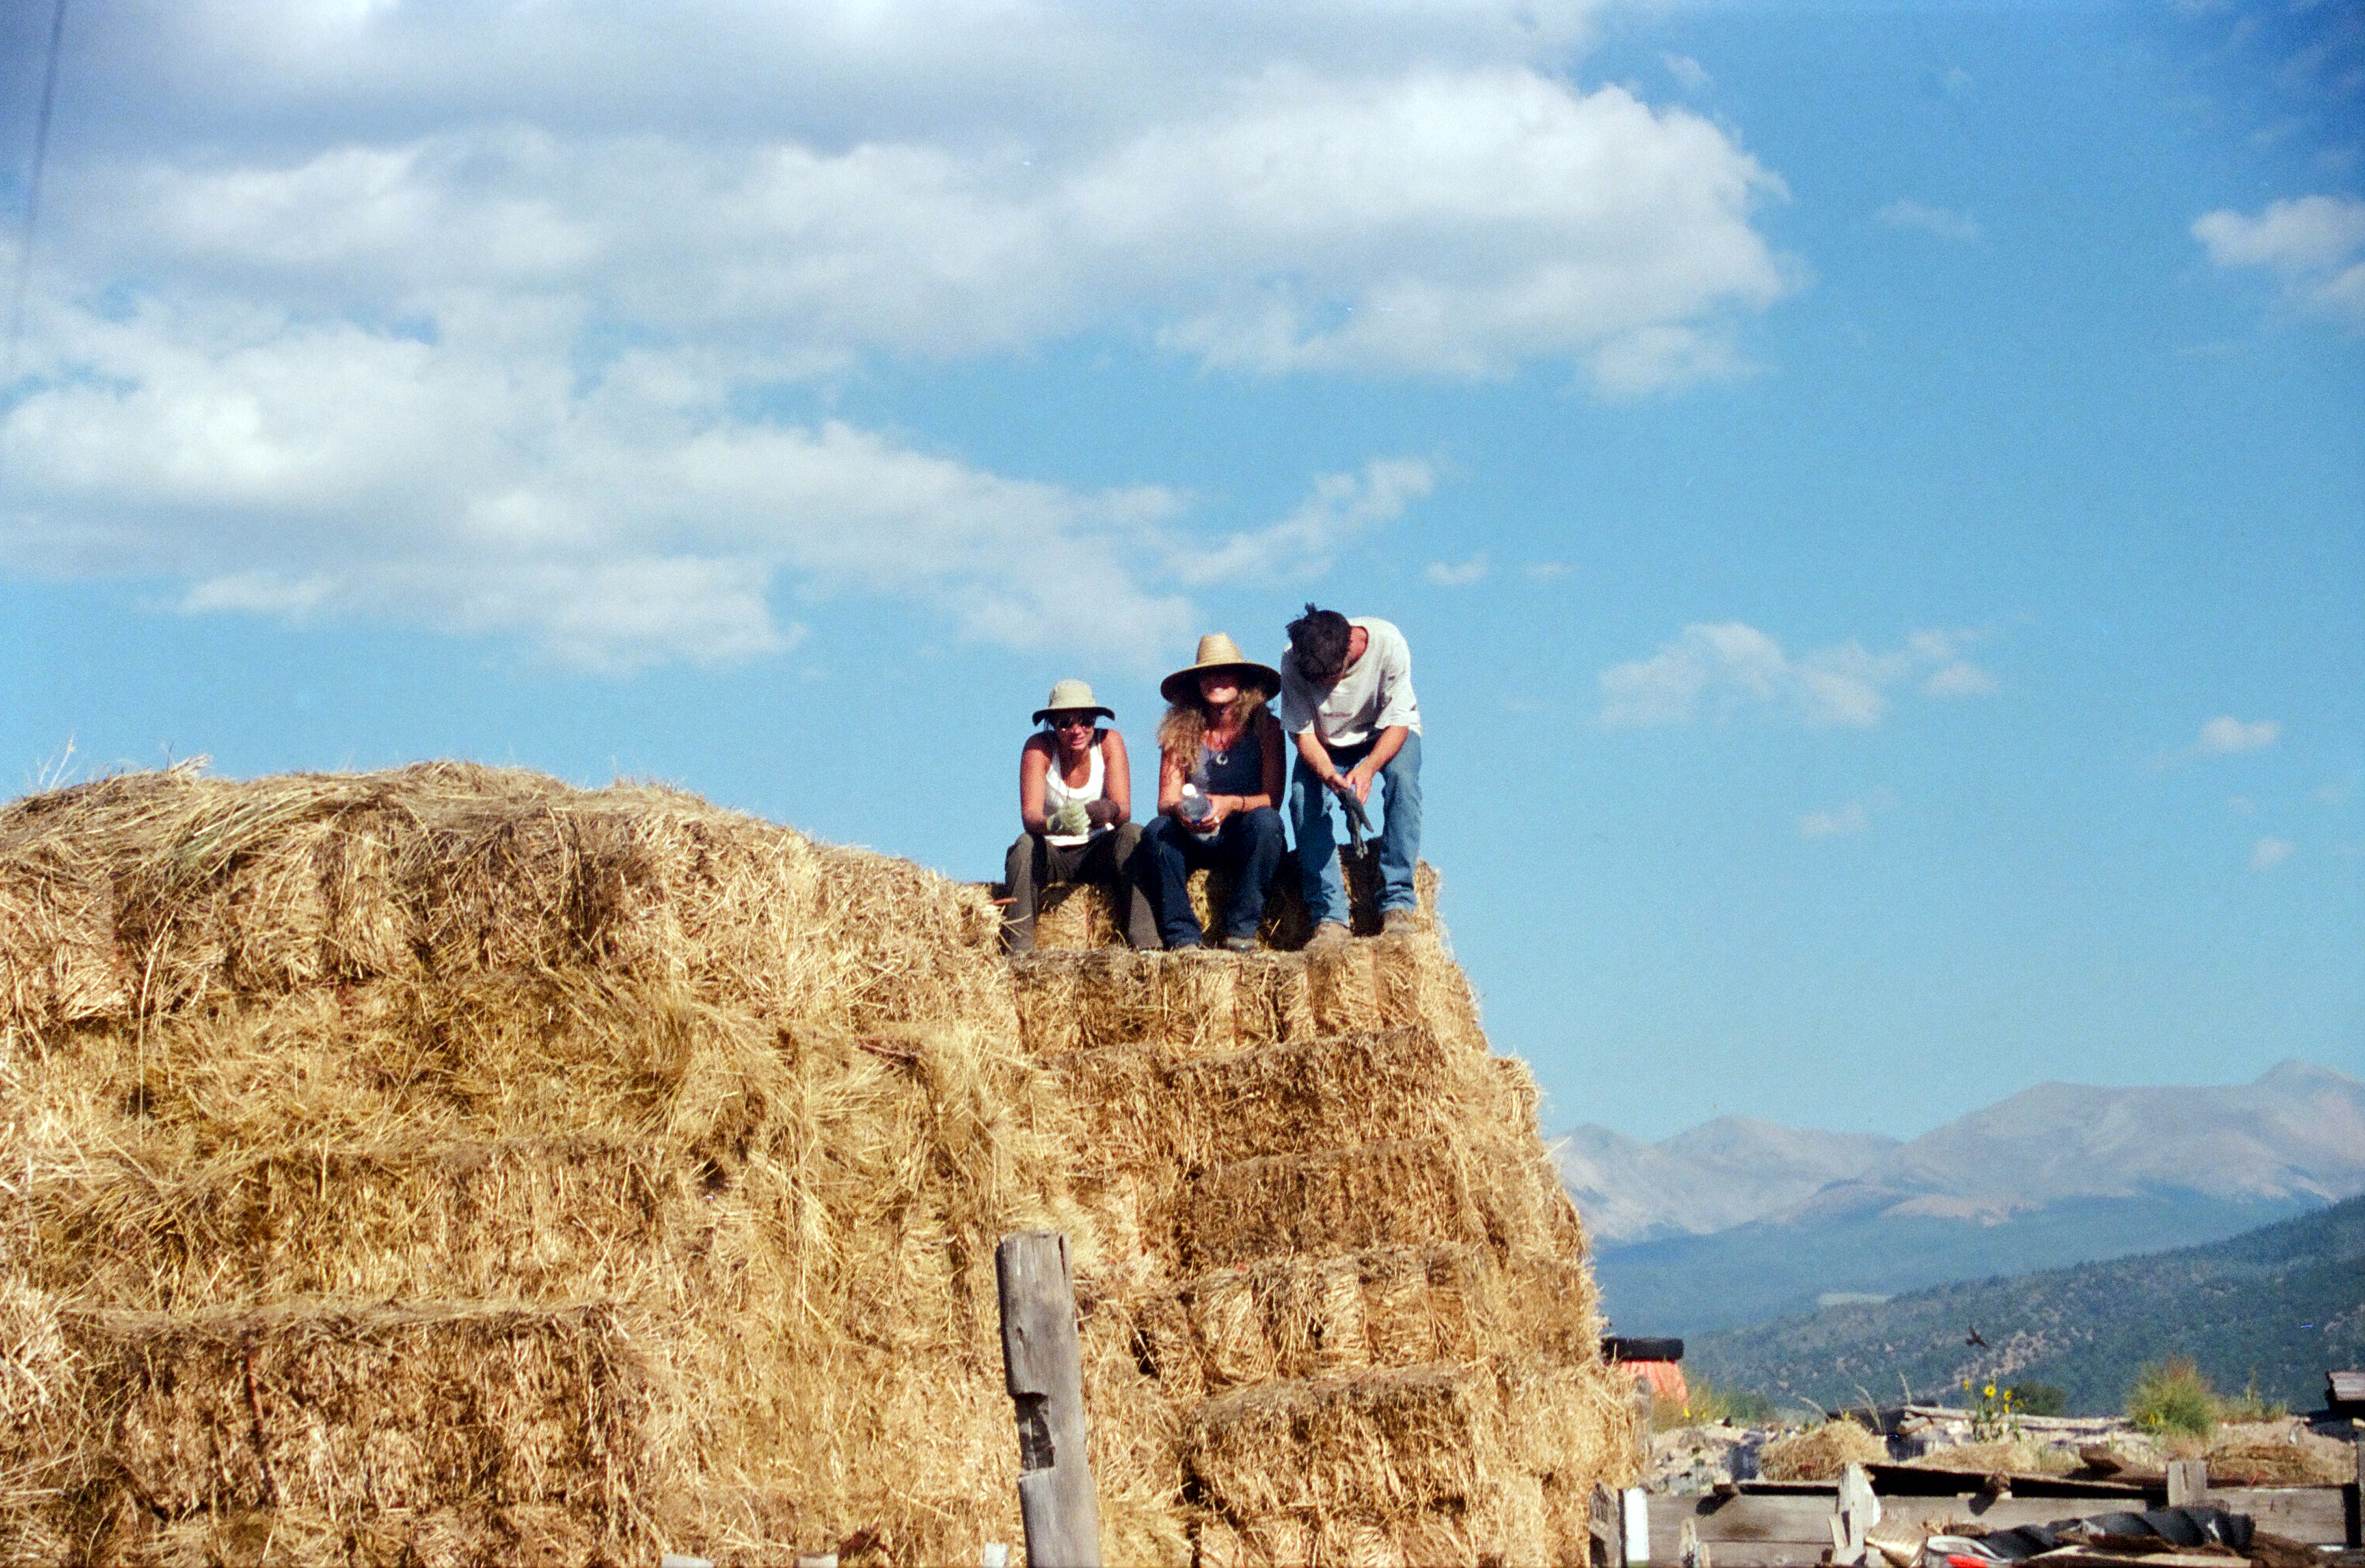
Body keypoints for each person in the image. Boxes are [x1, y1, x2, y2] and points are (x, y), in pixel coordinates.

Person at [1280, 603, 1423, 944]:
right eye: (1315, 681)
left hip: (1385, 732)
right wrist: (1330, 776)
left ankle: (1397, 901)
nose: (1323, 688)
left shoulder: (1389, 644)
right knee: (1302, 800)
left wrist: (1368, 769)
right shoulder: (1294, 659)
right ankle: (1330, 915)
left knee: (1403, 782)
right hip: (1326, 742)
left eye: (1329, 678)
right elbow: (1303, 734)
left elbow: (1399, 722)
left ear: (1351, 647)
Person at [1138, 634, 1288, 952]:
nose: (1216, 680)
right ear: (1197, 683)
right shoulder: (1178, 731)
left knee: (1268, 824)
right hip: (1195, 833)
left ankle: (1241, 930)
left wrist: (1231, 804)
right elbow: (1166, 800)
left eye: (1225, 672)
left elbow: (1272, 799)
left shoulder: (1267, 728)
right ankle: (1182, 937)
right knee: (1156, 832)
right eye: (1208, 673)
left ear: (1242, 680)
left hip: (1242, 833)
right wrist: (1184, 811)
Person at [1002, 679, 1159, 954]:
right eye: (1066, 723)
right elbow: (1030, 817)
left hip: (1099, 849)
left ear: (1095, 722)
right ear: (1052, 725)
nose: (1077, 731)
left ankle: (1146, 944)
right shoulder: (1038, 748)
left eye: (1086, 722)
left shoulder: (1110, 742)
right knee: (1024, 847)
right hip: (1054, 853)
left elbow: (1124, 809)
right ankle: (1020, 951)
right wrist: (1054, 823)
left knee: (1133, 834)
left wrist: (1109, 810)